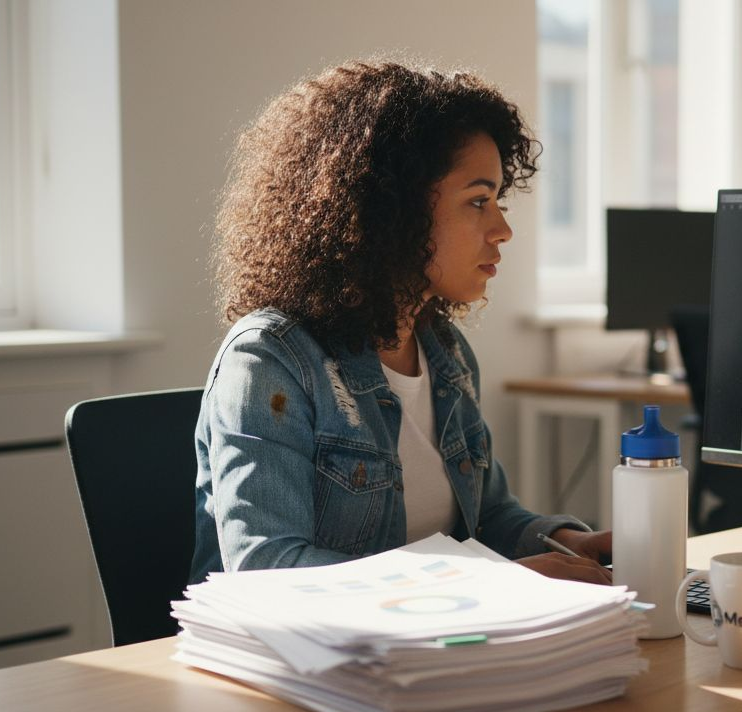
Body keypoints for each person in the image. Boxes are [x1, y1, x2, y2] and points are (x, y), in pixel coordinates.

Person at [190, 59, 611, 586]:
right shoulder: (268, 360)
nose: (502, 229)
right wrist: (496, 581)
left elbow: (489, 518)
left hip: (419, 651)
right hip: (291, 662)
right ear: (390, 207)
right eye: (478, 201)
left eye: (499, 200)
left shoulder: (446, 353)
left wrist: (571, 542)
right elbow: (267, 570)